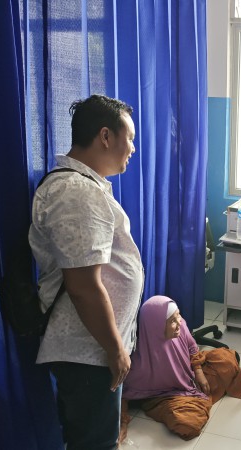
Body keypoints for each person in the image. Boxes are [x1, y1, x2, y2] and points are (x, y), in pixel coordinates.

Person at [29, 95, 143, 449]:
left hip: (93, 350)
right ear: (105, 136)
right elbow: (82, 286)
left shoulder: (86, 187)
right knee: (94, 444)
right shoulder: (76, 191)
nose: (133, 148)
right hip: (87, 352)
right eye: (129, 138)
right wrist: (115, 349)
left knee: (96, 439)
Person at [119, 296, 241, 442]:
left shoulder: (181, 326)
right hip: (166, 396)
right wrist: (122, 423)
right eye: (172, 321)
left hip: (190, 374)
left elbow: (192, 346)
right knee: (187, 424)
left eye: (178, 315)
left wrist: (198, 371)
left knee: (227, 359)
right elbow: (122, 393)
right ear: (156, 327)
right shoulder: (138, 363)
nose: (179, 322)